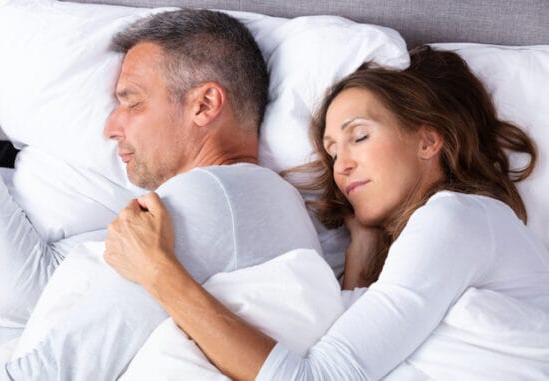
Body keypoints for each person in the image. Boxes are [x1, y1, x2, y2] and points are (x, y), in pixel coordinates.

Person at [0, 9, 322, 380]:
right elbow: (25, 291)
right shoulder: (248, 201)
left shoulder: (209, 197)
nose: (111, 128)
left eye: (133, 103)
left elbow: (57, 368)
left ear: (204, 104)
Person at [104, 46, 549, 380]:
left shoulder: (454, 218)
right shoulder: (447, 235)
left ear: (428, 141)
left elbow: (325, 376)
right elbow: (355, 341)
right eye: (332, 153)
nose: (342, 166)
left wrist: (159, 273)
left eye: (359, 137)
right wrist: (363, 251)